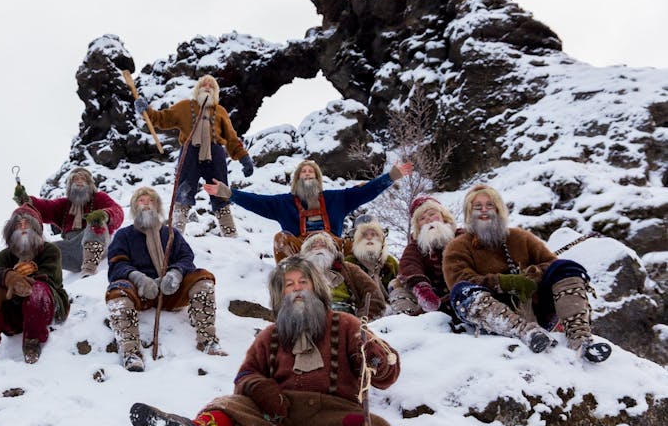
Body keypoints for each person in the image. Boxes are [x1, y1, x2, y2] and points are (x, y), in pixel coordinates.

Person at [129, 257, 402, 426]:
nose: (296, 289)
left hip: (335, 415)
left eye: (302, 282)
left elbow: (387, 374)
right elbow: (245, 376)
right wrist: (261, 389)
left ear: (316, 287)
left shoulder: (347, 325)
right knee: (229, 404)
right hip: (280, 413)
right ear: (279, 294)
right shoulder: (270, 334)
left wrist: (378, 359)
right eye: (288, 284)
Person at [443, 184, 612, 362]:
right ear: (469, 213)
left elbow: (551, 263)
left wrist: (533, 275)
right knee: (462, 292)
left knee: (565, 268)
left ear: (498, 208)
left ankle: (580, 340)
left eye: (489, 205)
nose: (484, 211)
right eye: (477, 207)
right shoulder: (458, 247)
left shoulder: (519, 237)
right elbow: (459, 280)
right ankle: (525, 332)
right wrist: (503, 282)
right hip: (492, 319)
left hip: (536, 309)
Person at [105, 186, 226, 372]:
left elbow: (187, 258)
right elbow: (116, 264)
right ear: (134, 206)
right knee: (117, 293)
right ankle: (131, 353)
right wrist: (139, 279)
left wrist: (175, 274)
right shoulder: (124, 235)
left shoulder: (171, 234)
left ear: (158, 206)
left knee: (203, 278)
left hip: (171, 292)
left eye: (151, 201)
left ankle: (207, 340)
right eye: (141, 200)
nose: (146, 204)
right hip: (140, 293)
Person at [203, 159, 414, 261]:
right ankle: (288, 279)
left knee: (360, 244)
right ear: (296, 180)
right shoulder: (283, 203)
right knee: (281, 239)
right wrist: (229, 193)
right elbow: (256, 201)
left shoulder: (337, 199)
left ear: (318, 179)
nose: (307, 174)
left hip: (334, 249)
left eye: (312, 172)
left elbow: (366, 191)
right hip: (300, 253)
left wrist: (392, 176)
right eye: (303, 172)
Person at [134, 74, 254, 237]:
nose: (207, 86)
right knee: (183, 191)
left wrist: (244, 157)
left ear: (215, 92)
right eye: (204, 84)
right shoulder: (184, 106)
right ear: (198, 89)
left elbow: (232, 137)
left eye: (211, 85)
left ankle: (230, 234)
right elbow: (162, 118)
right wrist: (146, 110)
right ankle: (175, 235)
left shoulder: (220, 111)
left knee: (221, 192)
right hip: (189, 154)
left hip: (215, 154)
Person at [0, 205, 69, 372]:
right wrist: (8, 278)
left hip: (48, 307)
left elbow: (49, 277)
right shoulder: (5, 255)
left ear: (36, 228)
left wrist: (19, 282)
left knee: (37, 289)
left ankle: (32, 344)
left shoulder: (50, 250)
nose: (23, 227)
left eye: (27, 223)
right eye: (18, 224)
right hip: (15, 315)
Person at [14, 167, 124, 275]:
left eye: (83, 179)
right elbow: (44, 208)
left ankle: (89, 268)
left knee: (95, 221)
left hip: (98, 245)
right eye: (76, 179)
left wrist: (105, 214)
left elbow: (117, 211)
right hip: (71, 249)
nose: (79, 181)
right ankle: (23, 275)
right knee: (43, 250)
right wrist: (25, 200)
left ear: (90, 184)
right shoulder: (64, 204)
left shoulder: (100, 198)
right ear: (70, 185)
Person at [390, 195, 462, 318]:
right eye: (422, 218)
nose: (428, 220)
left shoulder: (462, 236)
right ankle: (406, 321)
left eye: (432, 214)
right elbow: (409, 265)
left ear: (443, 216)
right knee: (397, 285)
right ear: (418, 226)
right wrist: (422, 290)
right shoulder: (415, 247)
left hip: (461, 291)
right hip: (430, 297)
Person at [299, 232, 386, 320]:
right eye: (313, 246)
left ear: (333, 251)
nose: (318, 248)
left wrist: (362, 321)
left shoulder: (349, 269)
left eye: (323, 245)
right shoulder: (295, 273)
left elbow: (373, 295)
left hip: (345, 320)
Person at [345, 214, 398, 302]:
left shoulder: (390, 262)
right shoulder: (349, 262)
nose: (369, 238)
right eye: (364, 235)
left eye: (373, 234)